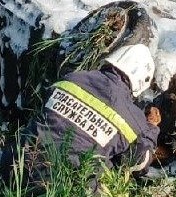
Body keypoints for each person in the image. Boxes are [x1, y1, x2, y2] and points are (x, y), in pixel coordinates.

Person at [24, 44, 162, 188]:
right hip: (67, 188)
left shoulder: (71, 79)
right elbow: (137, 164)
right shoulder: (134, 118)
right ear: (141, 81)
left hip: (18, 168)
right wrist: (151, 128)